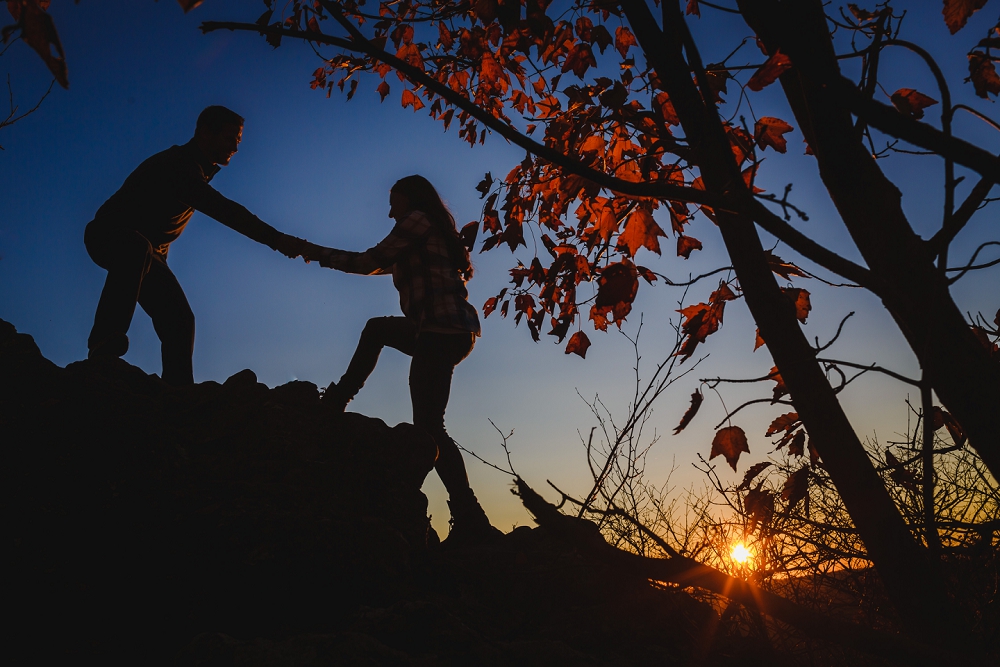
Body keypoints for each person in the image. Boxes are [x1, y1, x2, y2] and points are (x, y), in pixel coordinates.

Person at [305, 175, 499, 544]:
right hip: (445, 329)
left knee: (430, 427)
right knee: (378, 330)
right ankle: (337, 399)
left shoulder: (418, 220)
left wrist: (315, 253)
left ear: (411, 201)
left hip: (439, 330)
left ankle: (468, 514)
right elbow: (380, 264)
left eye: (394, 202)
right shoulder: (431, 228)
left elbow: (369, 261)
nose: (390, 212)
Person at [84, 106, 306, 385]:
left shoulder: (198, 170)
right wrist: (275, 239)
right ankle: (104, 344)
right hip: (108, 234)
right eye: (230, 138)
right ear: (204, 134)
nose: (236, 147)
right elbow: (223, 210)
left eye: (238, 140)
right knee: (135, 248)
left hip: (149, 253)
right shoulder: (179, 165)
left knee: (179, 318)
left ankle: (178, 389)